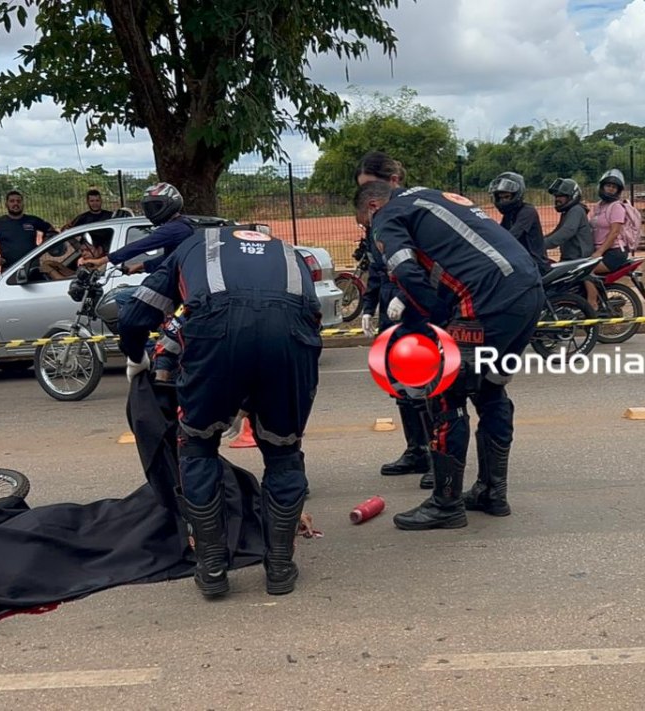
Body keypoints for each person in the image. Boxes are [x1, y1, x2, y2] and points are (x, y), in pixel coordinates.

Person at [116, 225, 323, 599]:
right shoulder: (291, 252)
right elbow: (311, 316)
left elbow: (136, 315)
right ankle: (279, 567)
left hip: (216, 335)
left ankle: (211, 566)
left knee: (197, 444)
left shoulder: (193, 246)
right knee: (283, 451)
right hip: (292, 339)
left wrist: (135, 356)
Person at [353, 179, 544, 530]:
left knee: (443, 394)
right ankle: (491, 491)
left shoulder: (386, 214)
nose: (370, 234)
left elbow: (406, 270)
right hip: (528, 292)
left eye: (365, 226)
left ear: (371, 208)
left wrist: (426, 317)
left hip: (484, 299)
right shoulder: (429, 196)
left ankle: (446, 503)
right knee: (491, 390)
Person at [355, 151, 435, 483]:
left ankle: (436, 455)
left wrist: (405, 295)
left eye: (372, 187)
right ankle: (415, 449)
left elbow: (428, 264)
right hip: (391, 312)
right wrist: (368, 306)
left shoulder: (416, 211)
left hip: (418, 308)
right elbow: (377, 267)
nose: (368, 197)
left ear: (394, 182)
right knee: (399, 382)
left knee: (427, 385)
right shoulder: (379, 220)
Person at [84, 183, 194, 275]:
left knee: (125, 297)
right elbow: (169, 258)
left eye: (156, 206)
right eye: (149, 208)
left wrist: (101, 261)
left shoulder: (174, 229)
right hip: (182, 282)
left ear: (170, 204)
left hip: (181, 286)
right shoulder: (181, 224)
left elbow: (140, 246)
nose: (152, 211)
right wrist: (140, 266)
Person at [0, 191, 57, 271]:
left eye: (18, 201)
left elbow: (50, 231)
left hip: (32, 267)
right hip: (9, 270)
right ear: (6, 204)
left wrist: (41, 248)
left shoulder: (32, 220)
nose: (16, 204)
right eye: (12, 201)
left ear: (22, 204)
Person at [586, 169, 632, 310]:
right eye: (608, 185)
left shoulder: (616, 207)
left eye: (614, 187)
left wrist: (599, 252)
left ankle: (591, 305)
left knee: (586, 271)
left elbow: (614, 232)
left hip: (614, 252)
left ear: (618, 190)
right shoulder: (599, 206)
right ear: (602, 186)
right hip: (601, 250)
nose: (610, 189)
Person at [489, 171, 548, 272]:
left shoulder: (527, 211)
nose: (503, 201)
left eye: (507, 197)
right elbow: (500, 233)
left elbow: (512, 235)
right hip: (520, 262)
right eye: (500, 197)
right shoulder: (509, 215)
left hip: (534, 265)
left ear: (517, 194)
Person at [542, 178, 594, 263]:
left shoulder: (576, 210)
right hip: (571, 258)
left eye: (561, 196)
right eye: (556, 196)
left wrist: (541, 245)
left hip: (578, 259)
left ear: (572, 196)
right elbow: (556, 232)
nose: (557, 199)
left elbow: (565, 232)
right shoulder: (567, 212)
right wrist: (538, 241)